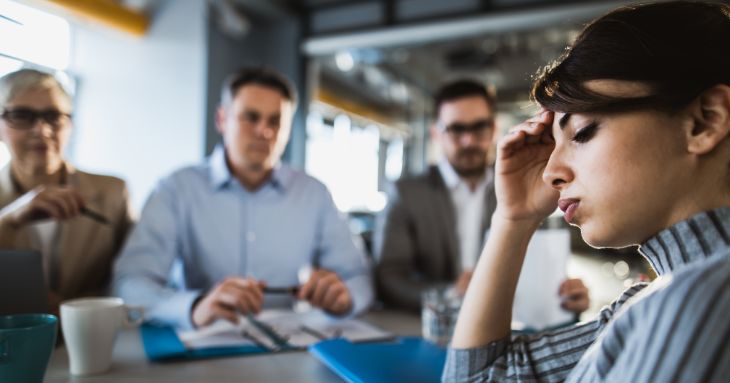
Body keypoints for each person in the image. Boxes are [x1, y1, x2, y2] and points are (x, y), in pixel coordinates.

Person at [444, 1, 730, 381]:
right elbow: (480, 377)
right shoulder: (647, 302)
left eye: (582, 132)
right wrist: (513, 218)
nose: (550, 173)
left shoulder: (699, 305)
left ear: (703, 121)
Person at [113, 68, 373, 329]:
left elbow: (359, 277)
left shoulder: (315, 194)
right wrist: (192, 307)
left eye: (275, 121)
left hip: (288, 346)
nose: (264, 131)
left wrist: (344, 298)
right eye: (251, 117)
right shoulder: (176, 189)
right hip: (202, 345)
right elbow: (130, 283)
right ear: (222, 119)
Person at [374, 79, 589, 319]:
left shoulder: (522, 188)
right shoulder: (407, 194)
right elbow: (388, 279)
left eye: (479, 128)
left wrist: (564, 297)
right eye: (456, 129)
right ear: (436, 133)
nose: (469, 141)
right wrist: (448, 294)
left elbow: (538, 267)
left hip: (509, 324)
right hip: (433, 327)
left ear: (493, 129)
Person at [0, 69, 133, 314]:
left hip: (93, 334)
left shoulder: (113, 193)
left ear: (70, 125)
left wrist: (74, 307)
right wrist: (8, 219)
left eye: (53, 116)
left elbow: (135, 276)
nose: (41, 130)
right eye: (21, 115)